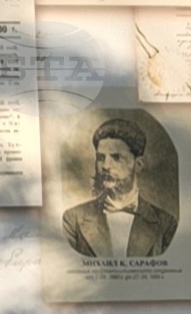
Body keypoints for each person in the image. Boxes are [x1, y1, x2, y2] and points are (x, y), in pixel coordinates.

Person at [60, 108, 176, 257]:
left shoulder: (166, 224)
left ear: (138, 164)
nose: (105, 166)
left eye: (116, 158)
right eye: (101, 158)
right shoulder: (73, 219)